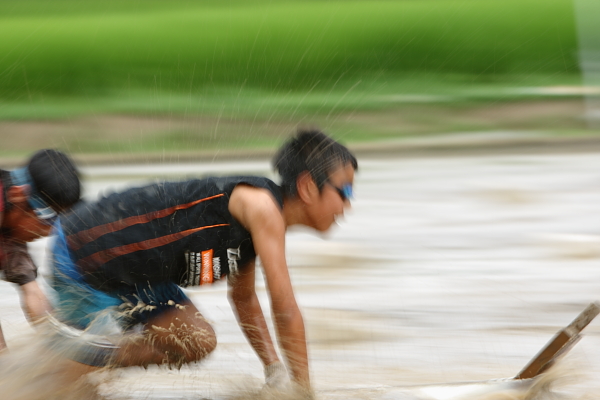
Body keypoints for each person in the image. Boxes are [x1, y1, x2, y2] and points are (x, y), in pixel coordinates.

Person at [49, 129, 357, 395]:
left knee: (196, 342)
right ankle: (69, 353)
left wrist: (274, 370)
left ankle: (90, 352)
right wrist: (304, 393)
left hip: (139, 275)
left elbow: (244, 299)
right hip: (86, 252)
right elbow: (285, 308)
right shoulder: (262, 207)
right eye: (345, 191)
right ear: (306, 186)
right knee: (68, 392)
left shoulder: (257, 228)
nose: (348, 204)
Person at [0, 149, 81, 350]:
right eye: (48, 219)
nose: (50, 231)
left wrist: (65, 350)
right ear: (18, 195)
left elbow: (33, 293)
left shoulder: (12, 224)